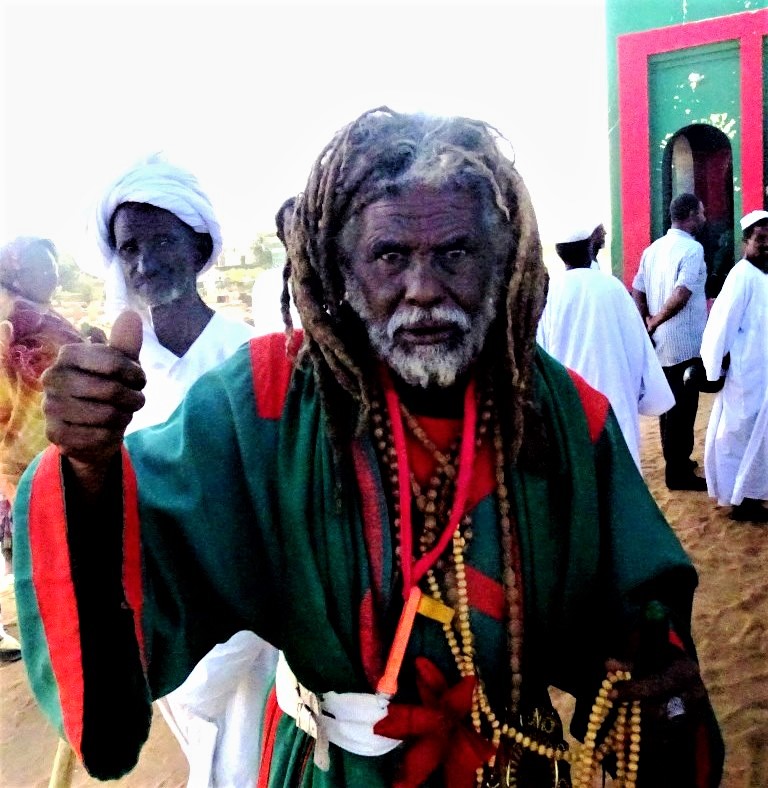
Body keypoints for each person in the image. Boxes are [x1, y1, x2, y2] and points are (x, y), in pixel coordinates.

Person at [14, 109, 722, 787]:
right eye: (390, 255)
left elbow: (638, 611)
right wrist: (88, 470)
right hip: (331, 774)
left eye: (455, 254)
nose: (423, 289)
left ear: (499, 263)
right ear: (343, 271)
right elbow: (148, 552)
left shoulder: (558, 413)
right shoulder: (266, 402)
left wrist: (652, 674)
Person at [90, 156, 278, 787]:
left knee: (247, 762)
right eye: (129, 247)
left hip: (250, 618)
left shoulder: (247, 356)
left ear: (199, 247)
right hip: (158, 618)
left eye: (163, 240)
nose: (144, 263)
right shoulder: (112, 373)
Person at [0, 236, 82, 662]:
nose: (51, 274)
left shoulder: (42, 318)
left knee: (52, 566)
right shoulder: (14, 320)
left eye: (53, 265)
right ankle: (60, 656)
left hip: (56, 462)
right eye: (41, 266)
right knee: (49, 569)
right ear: (15, 271)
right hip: (31, 470)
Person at [537, 224, 673, 470]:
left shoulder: (551, 294)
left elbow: (540, 354)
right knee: (620, 475)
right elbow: (638, 346)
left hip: (569, 404)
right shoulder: (613, 289)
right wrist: (639, 390)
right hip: (615, 401)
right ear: (591, 248)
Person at [632, 193, 708, 491]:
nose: (704, 217)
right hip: (684, 343)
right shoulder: (692, 249)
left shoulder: (653, 249)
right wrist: (655, 320)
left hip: (660, 343)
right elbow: (683, 292)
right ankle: (678, 472)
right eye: (701, 212)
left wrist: (646, 323)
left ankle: (678, 461)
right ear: (690, 214)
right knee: (684, 407)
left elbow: (637, 289)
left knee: (669, 406)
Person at [700, 209, 768, 523]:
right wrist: (712, 371)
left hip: (764, 375)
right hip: (746, 375)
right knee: (739, 435)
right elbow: (719, 327)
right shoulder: (741, 276)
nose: (765, 245)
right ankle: (742, 501)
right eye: (760, 240)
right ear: (746, 243)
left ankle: (753, 495)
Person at [251, 196, 301, 335]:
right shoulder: (265, 283)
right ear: (281, 235)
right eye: (292, 231)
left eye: (304, 228)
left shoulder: (336, 284)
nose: (299, 237)